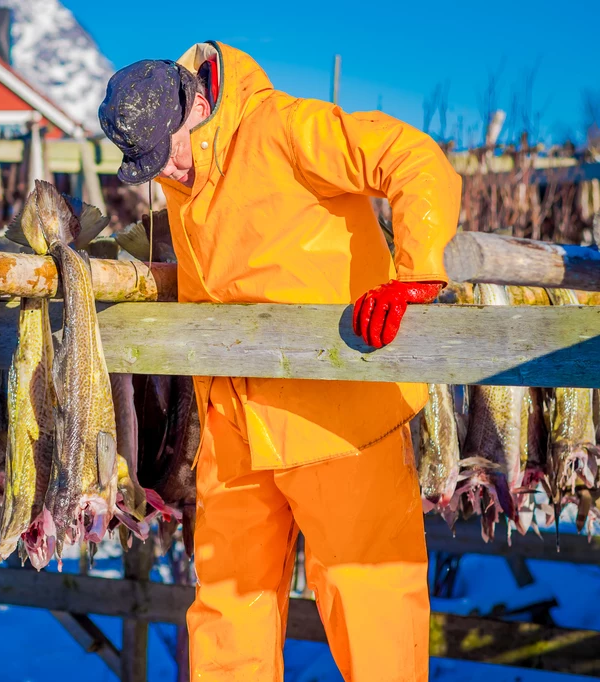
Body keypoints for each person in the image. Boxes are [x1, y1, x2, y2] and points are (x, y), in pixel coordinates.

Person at [98, 41, 461, 681]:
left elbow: (414, 158)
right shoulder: (183, 169)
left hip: (341, 422)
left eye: (168, 155)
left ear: (199, 106)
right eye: (151, 167)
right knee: (225, 614)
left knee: (373, 611)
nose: (168, 176)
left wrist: (416, 272)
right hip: (234, 425)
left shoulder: (286, 128)